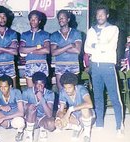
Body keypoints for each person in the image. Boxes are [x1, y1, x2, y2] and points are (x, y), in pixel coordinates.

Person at [84, 5, 124, 135]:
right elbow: (87, 49)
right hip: (95, 66)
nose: (99, 16)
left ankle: (119, 126)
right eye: (97, 14)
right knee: (98, 96)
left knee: (114, 96)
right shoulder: (91, 30)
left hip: (108, 66)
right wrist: (101, 46)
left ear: (107, 15)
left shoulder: (113, 29)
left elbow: (111, 46)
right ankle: (99, 123)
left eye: (102, 14)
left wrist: (96, 45)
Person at [55, 72, 94, 142]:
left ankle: (87, 133)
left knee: (84, 108)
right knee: (61, 121)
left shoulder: (81, 89)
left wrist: (70, 110)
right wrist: (58, 118)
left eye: (69, 87)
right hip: (75, 115)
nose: (67, 90)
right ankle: (77, 128)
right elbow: (60, 110)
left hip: (88, 116)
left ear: (74, 86)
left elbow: (90, 104)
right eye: (65, 88)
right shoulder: (62, 92)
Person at [50, 10, 82, 91]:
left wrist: (59, 48)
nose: (60, 20)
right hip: (60, 65)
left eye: (63, 18)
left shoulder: (76, 33)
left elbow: (77, 50)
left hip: (73, 65)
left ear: (68, 19)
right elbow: (53, 52)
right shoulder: (54, 35)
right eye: (59, 18)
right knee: (61, 90)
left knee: (74, 91)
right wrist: (70, 45)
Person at [19, 10, 50, 87]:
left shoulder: (45, 34)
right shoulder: (25, 34)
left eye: (35, 19)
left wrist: (29, 51)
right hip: (29, 64)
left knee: (42, 90)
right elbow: (21, 50)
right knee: (30, 90)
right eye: (31, 19)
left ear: (39, 21)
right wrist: (38, 47)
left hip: (42, 64)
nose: (33, 21)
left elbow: (47, 50)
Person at [22, 72, 55, 142]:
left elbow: (49, 114)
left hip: (43, 118)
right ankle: (29, 134)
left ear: (45, 83)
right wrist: (29, 106)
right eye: (38, 84)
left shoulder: (50, 93)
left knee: (51, 125)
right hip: (30, 118)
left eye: (42, 84)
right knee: (31, 107)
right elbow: (23, 110)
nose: (40, 86)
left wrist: (41, 99)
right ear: (34, 84)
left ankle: (43, 128)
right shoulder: (26, 92)